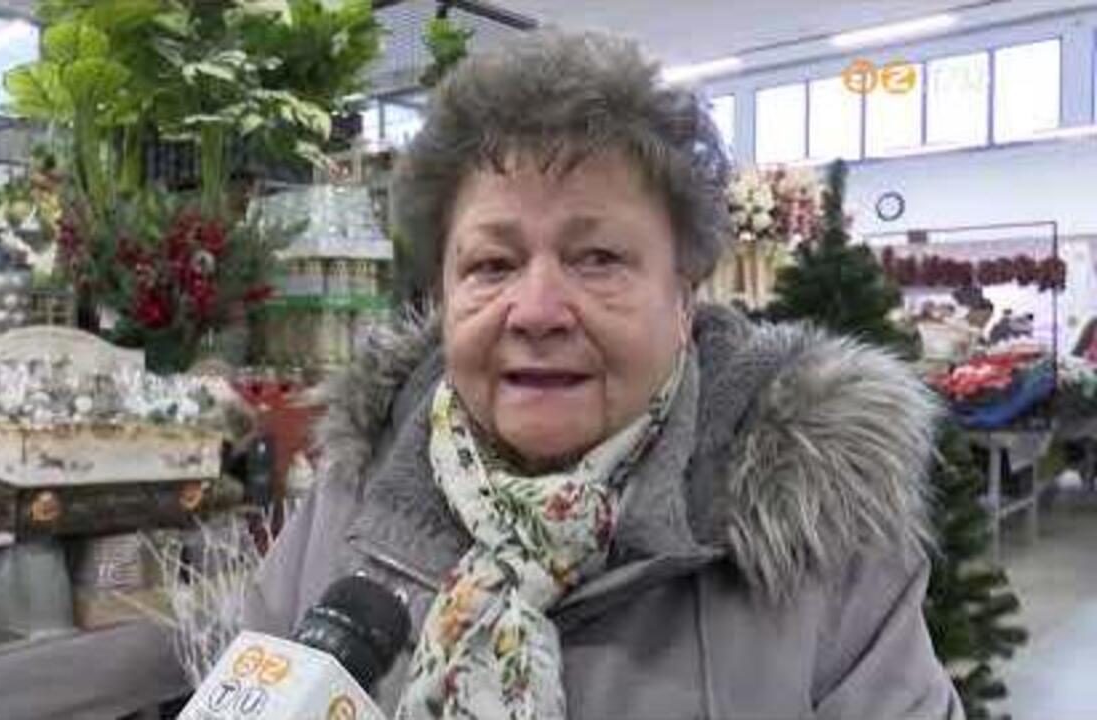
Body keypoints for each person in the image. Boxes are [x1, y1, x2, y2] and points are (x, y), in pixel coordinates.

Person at [238, 32, 961, 719]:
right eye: (492, 264)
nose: (537, 312)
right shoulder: (353, 499)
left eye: (598, 259)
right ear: (444, 293)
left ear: (683, 297)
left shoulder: (818, 530)